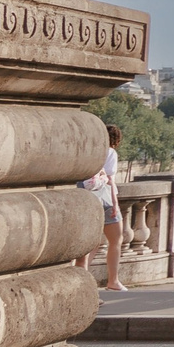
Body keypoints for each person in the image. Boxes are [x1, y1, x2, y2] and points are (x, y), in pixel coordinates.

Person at [77, 124, 127, 291]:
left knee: (90, 243)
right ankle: (113, 280)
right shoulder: (110, 153)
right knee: (116, 240)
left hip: (85, 197)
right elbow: (110, 180)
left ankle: (82, 282)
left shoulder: (88, 152)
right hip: (104, 199)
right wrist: (115, 205)